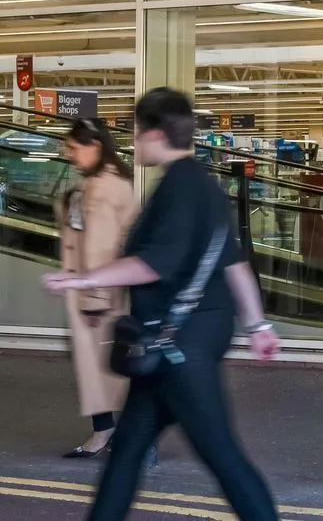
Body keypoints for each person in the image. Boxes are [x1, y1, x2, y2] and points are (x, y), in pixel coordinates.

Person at [43, 87, 281, 521]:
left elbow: (152, 265)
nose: (132, 143)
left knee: (224, 459)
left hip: (178, 349)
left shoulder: (177, 188)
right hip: (168, 345)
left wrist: (84, 279)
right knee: (126, 454)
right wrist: (258, 326)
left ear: (154, 133)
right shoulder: (204, 186)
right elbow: (234, 264)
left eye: (136, 133)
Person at [56, 118, 137, 458]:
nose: (69, 154)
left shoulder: (101, 188)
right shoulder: (107, 182)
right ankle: (121, 434)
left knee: (100, 368)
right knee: (109, 366)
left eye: (74, 147)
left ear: (96, 146)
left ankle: (106, 434)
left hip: (97, 292)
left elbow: (100, 248)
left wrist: (94, 298)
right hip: (105, 288)